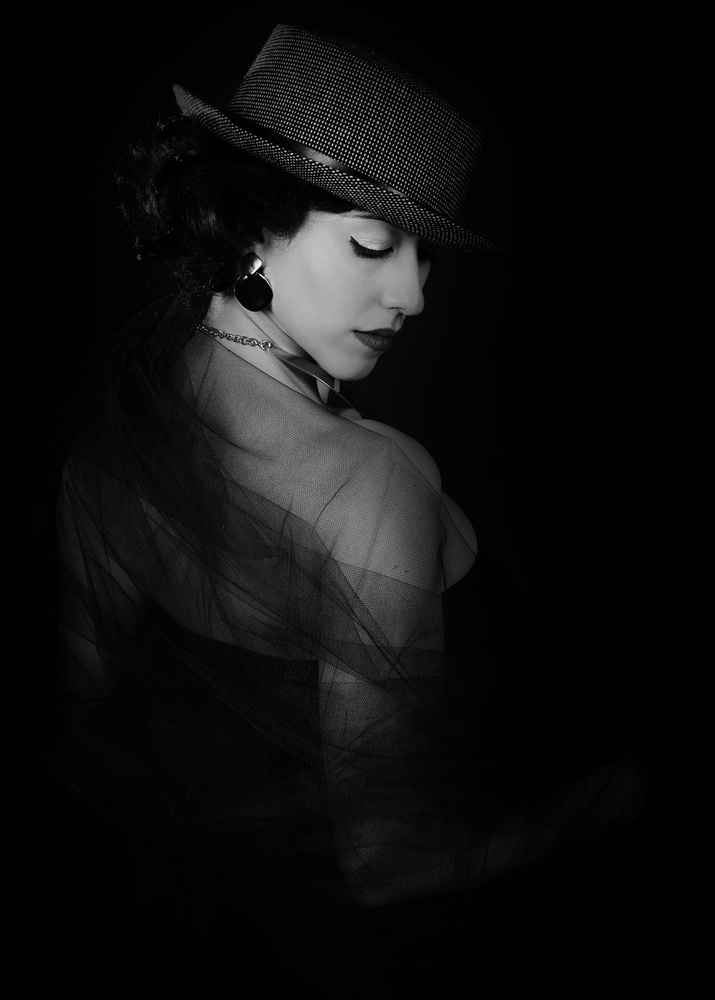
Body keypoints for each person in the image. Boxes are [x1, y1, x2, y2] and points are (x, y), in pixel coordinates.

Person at [54, 23, 645, 994]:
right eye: (372, 243)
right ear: (245, 228)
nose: (411, 295)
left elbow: (85, 746)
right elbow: (390, 866)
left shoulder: (111, 438)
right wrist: (609, 800)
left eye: (425, 254)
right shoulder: (369, 482)